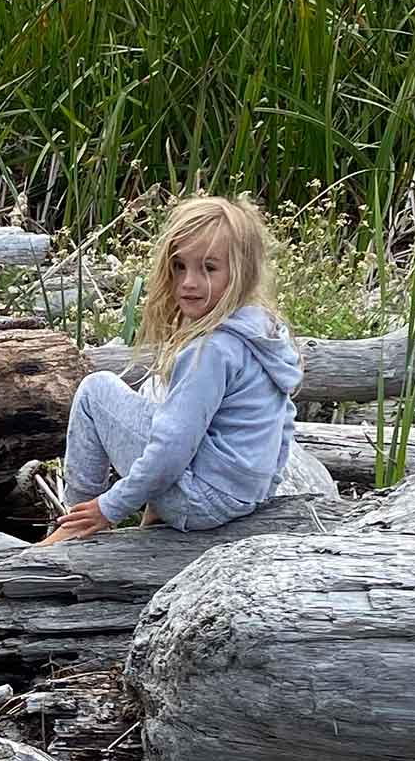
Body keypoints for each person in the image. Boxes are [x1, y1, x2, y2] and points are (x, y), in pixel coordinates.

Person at [43, 194, 300, 542]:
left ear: (242, 273)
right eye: (180, 266)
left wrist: (110, 506)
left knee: (95, 391)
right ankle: (146, 514)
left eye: (208, 268)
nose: (188, 282)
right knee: (157, 393)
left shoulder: (212, 350)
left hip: (199, 501)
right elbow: (282, 418)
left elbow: (171, 451)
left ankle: (76, 524)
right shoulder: (265, 330)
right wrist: (263, 488)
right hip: (243, 496)